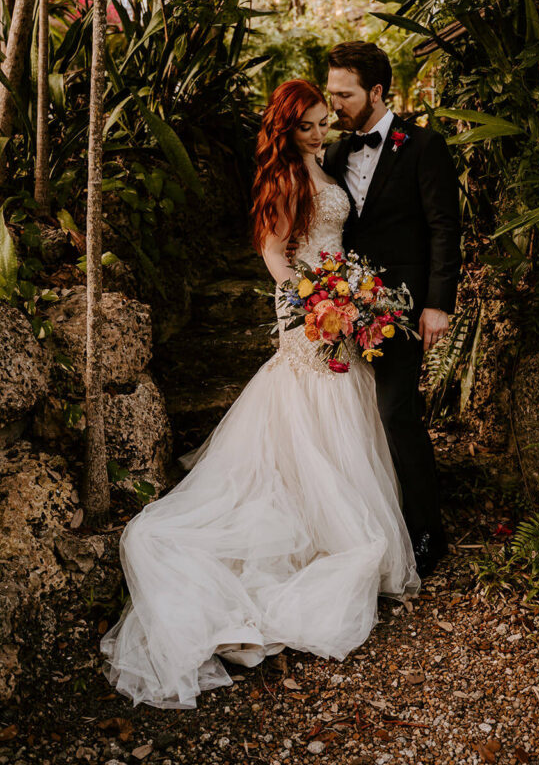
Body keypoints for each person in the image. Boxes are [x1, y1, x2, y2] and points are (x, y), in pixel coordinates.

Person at [100, 78, 419, 709]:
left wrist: (349, 294)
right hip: (308, 308)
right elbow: (275, 254)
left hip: (339, 302)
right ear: (285, 128)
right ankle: (309, 528)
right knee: (310, 402)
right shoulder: (282, 181)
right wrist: (315, 300)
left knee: (345, 405)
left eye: (323, 122)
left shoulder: (321, 166)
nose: (320, 133)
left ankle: (337, 515)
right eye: (307, 125)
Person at [323, 42, 462, 577]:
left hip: (403, 308)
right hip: (341, 310)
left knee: (396, 412)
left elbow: (443, 229)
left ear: (376, 92)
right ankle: (364, 523)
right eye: (331, 92)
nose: (334, 103)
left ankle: (427, 529)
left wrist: (437, 304)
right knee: (353, 416)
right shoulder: (334, 153)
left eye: (345, 94)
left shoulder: (425, 147)